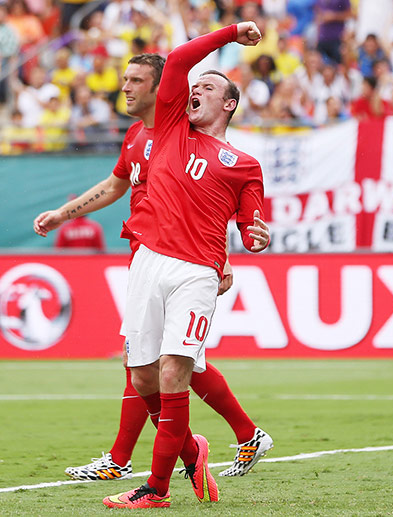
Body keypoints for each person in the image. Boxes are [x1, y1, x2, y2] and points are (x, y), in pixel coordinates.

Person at [33, 49, 273, 491]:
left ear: (160, 87)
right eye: (124, 79)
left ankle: (132, 465)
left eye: (136, 80)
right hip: (146, 254)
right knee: (149, 367)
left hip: (190, 261)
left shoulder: (179, 134)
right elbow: (114, 186)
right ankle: (212, 443)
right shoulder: (138, 137)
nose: (125, 87)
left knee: (172, 367)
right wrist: (62, 214)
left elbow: (216, 208)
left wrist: (228, 254)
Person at [101, 21, 270, 509]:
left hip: (197, 273)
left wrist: (258, 238)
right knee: (142, 379)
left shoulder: (243, 164)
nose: (194, 89)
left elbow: (252, 227)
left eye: (208, 88)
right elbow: (176, 62)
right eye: (194, 87)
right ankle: (194, 452)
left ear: (229, 104)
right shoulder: (172, 122)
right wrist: (231, 32)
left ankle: (155, 489)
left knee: (175, 372)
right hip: (148, 263)